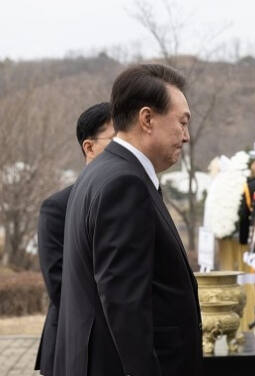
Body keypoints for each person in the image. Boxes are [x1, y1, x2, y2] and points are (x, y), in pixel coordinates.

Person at [53, 64, 202, 376]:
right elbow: (125, 306)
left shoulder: (101, 172)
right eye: (182, 122)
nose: (186, 136)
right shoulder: (125, 184)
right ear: (147, 119)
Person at [34, 102, 114, 376]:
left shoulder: (132, 198)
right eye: (116, 140)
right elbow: (59, 285)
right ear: (89, 147)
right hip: (74, 343)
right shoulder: (57, 207)